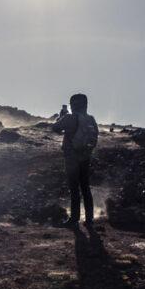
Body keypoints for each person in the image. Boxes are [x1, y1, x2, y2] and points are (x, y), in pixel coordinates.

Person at [52, 93, 98, 226]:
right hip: (86, 157)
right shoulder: (91, 119)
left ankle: (74, 219)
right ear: (85, 105)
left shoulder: (69, 118)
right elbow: (95, 137)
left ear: (72, 106)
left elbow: (55, 128)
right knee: (85, 188)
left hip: (72, 157)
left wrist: (61, 116)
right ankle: (89, 219)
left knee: (74, 189)